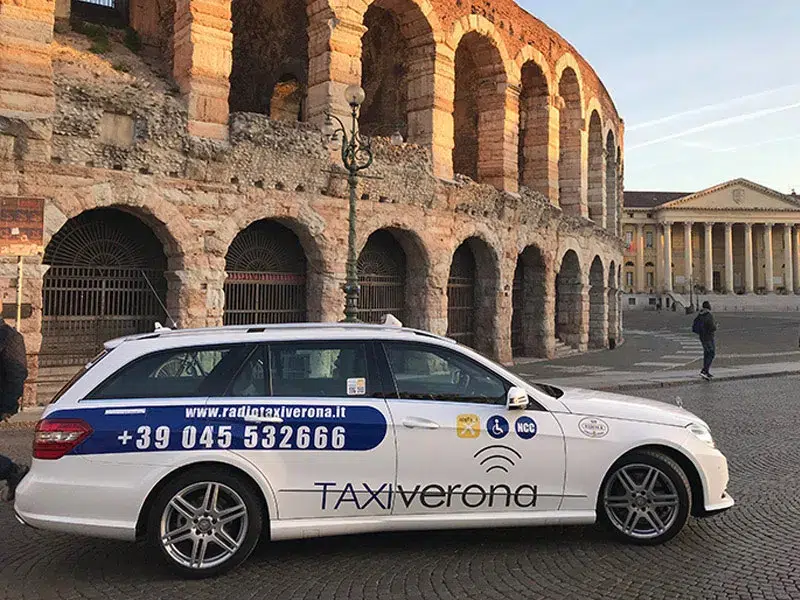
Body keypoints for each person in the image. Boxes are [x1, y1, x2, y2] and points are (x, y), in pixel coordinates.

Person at [0, 319, 29, 501]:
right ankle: (12, 471)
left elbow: (17, 373)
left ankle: (12, 471)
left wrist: (7, 405)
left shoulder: (10, 337)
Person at [692, 301, 717, 380]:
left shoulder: (700, 314)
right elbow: (712, 327)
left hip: (702, 336)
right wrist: (715, 326)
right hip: (709, 337)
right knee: (711, 353)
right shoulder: (708, 315)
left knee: (706, 353)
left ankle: (705, 370)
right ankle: (705, 371)